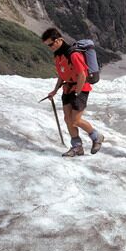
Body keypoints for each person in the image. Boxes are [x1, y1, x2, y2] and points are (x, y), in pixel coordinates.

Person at [41, 28, 104, 157]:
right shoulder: (58, 56)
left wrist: (77, 92)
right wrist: (55, 90)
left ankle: (97, 136)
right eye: (48, 45)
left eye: (51, 44)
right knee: (67, 119)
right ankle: (77, 147)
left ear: (59, 40)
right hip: (68, 88)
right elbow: (62, 74)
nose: (50, 47)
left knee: (75, 120)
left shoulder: (73, 54)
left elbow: (82, 74)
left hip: (80, 89)